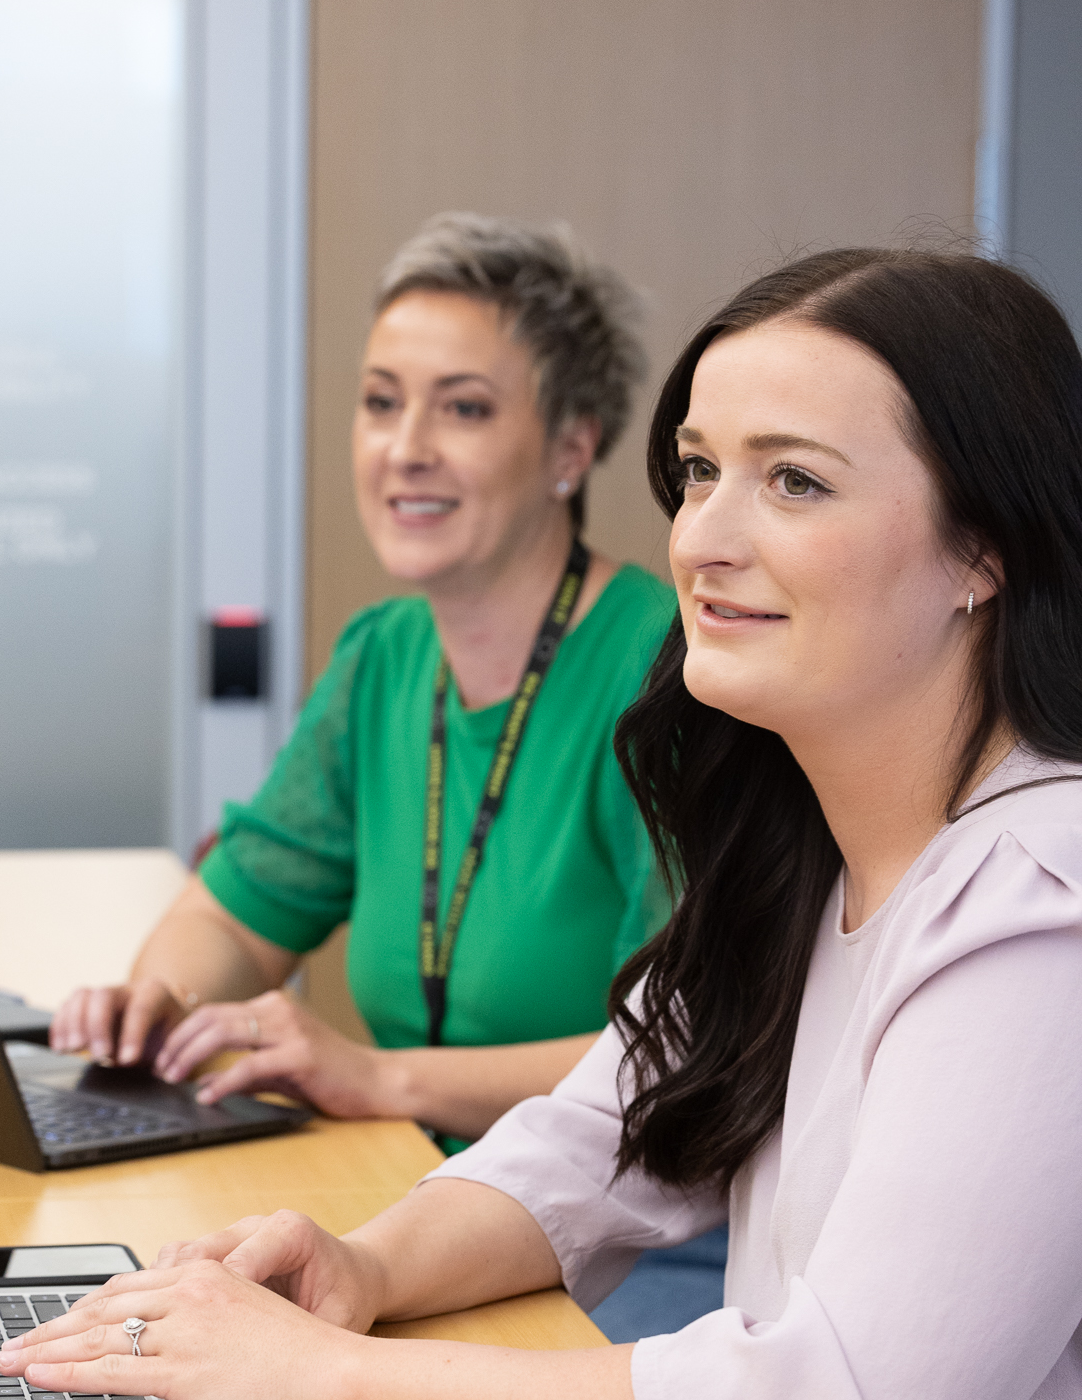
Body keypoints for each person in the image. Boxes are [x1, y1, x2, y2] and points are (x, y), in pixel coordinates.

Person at [3, 245, 1082, 1400]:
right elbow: (595, 1139)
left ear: (982, 547)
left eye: (792, 481)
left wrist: (328, 1379)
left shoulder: (1039, 910)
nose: (704, 535)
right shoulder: (807, 843)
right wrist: (360, 1268)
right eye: (698, 471)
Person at [51, 213, 679, 1152]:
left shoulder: (666, 673)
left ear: (571, 448)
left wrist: (379, 1078)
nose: (405, 447)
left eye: (464, 409)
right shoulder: (384, 656)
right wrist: (161, 1002)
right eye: (382, 402)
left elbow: (672, 1056)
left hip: (619, 1209)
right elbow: (234, 918)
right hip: (419, 1183)